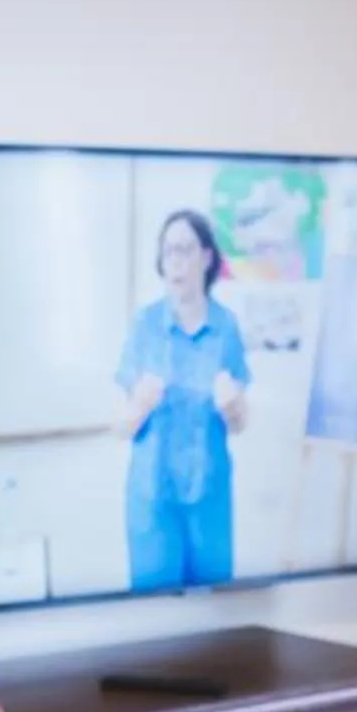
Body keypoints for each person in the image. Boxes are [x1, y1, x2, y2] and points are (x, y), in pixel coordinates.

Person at [117, 209, 251, 592]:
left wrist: (233, 407)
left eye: (185, 250)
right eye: (168, 251)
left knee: (214, 614)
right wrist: (138, 405)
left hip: (209, 496)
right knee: (155, 616)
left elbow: (240, 424)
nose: (175, 261)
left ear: (206, 258)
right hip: (153, 498)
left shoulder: (226, 328)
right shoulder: (145, 325)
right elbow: (119, 427)